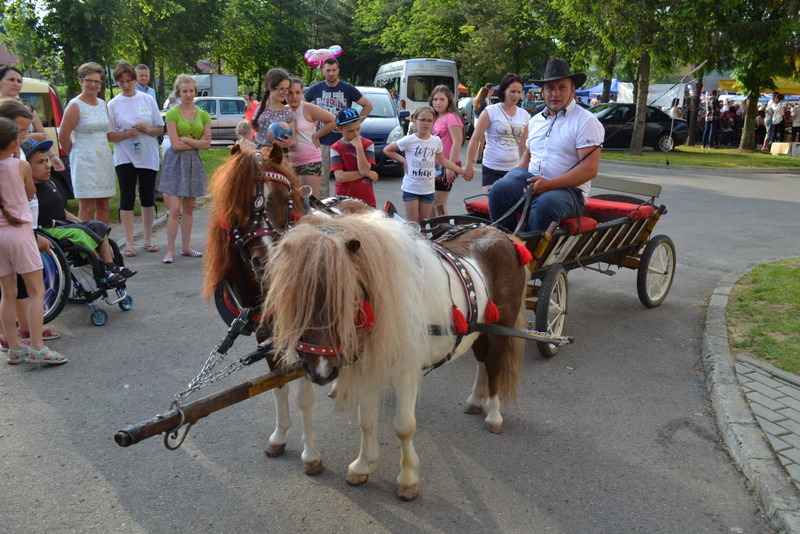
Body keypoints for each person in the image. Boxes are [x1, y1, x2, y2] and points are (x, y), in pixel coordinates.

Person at [488, 59, 604, 233]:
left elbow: (589, 169)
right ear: (542, 92)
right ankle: (509, 243)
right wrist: (511, 179)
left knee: (545, 203)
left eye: (562, 87)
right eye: (550, 88)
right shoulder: (535, 121)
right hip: (532, 181)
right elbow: (527, 155)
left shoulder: (586, 121)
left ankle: (533, 256)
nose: (555, 93)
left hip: (569, 192)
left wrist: (549, 184)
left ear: (573, 89)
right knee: (498, 189)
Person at [23, 138, 134, 285]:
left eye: (46, 161)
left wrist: (82, 222)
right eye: (40, 162)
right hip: (47, 230)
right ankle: (101, 273)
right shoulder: (28, 190)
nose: (47, 166)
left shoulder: (49, 184)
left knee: (97, 226)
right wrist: (81, 227)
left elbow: (61, 210)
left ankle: (111, 266)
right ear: (25, 167)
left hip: (62, 225)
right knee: (80, 232)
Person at [0, 117, 66, 365]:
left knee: (7, 293)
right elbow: (29, 193)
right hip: (19, 231)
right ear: (15, 142)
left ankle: (13, 346)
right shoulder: (20, 166)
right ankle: (37, 346)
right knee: (37, 290)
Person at [107, 62, 164, 256]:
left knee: (147, 196)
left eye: (129, 80)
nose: (125, 85)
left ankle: (148, 239)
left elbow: (159, 127)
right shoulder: (113, 104)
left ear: (134, 79)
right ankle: (129, 242)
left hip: (147, 153)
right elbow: (109, 135)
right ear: (117, 83)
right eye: (121, 82)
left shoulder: (147, 99)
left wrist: (146, 130)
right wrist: (125, 134)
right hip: (125, 155)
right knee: (127, 196)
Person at [158, 74, 211, 264]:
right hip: (175, 162)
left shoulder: (203, 114)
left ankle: (186, 247)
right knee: (175, 209)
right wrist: (195, 142)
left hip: (193, 163)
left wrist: (187, 139)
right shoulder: (172, 113)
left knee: (189, 207)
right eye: (185, 91)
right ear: (178, 92)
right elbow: (175, 145)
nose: (189, 94)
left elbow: (206, 145)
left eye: (191, 91)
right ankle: (169, 251)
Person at [304, 58, 373, 198]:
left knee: (345, 175)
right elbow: (301, 106)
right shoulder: (316, 89)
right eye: (328, 70)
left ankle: (345, 203)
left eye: (334, 70)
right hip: (322, 140)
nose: (331, 73)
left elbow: (368, 105)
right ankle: (323, 209)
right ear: (323, 71)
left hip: (344, 141)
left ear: (338, 71)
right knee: (322, 179)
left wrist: (357, 124)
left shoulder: (347, 88)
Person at [384, 106, 465, 223]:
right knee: (413, 225)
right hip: (411, 188)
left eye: (429, 120)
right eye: (422, 120)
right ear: (414, 120)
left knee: (423, 225)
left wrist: (462, 171)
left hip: (427, 190)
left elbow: (443, 161)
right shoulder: (409, 140)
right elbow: (388, 150)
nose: (426, 123)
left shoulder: (436, 141)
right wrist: (404, 161)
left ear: (433, 122)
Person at [58, 62, 116, 224]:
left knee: (104, 205)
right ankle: (84, 246)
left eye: (97, 81)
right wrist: (76, 155)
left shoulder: (103, 104)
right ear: (81, 81)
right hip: (84, 161)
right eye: (88, 80)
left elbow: (107, 132)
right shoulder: (75, 105)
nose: (92, 84)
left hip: (103, 158)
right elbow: (63, 136)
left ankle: (103, 244)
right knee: (87, 207)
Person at [465, 73, 529, 194]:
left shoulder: (524, 115)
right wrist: (469, 165)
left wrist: (529, 169)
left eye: (519, 92)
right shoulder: (491, 111)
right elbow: (475, 139)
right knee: (492, 207)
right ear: (504, 90)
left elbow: (523, 146)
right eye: (513, 91)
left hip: (514, 170)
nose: (516, 96)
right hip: (492, 168)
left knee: (510, 208)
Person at [0, 65, 65, 171]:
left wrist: (53, 156)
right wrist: (30, 137)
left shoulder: (27, 106)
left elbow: (43, 134)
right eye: (11, 80)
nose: (16, 84)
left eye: (19, 81)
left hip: (29, 160)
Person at [286, 76, 335, 197]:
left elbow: (333, 120)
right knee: (289, 205)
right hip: (288, 163)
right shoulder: (283, 111)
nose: (294, 96)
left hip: (310, 161)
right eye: (290, 92)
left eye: (298, 92)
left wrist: (317, 136)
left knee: (307, 204)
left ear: (302, 93)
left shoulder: (307, 108)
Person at [329, 108, 378, 206]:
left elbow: (364, 170)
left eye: (358, 129)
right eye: (350, 131)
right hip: (343, 199)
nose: (356, 134)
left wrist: (359, 147)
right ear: (339, 130)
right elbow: (340, 177)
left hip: (366, 198)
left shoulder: (368, 144)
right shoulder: (335, 148)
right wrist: (368, 174)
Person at [429, 85, 464, 214]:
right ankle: (435, 231)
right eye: (435, 99)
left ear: (449, 100)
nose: (438, 102)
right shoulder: (435, 117)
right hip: (434, 165)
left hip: (447, 164)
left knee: (439, 204)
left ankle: (445, 232)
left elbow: (457, 141)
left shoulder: (451, 117)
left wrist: (450, 166)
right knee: (431, 204)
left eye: (442, 99)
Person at [251, 68, 296, 150]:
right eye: (281, 89)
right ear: (271, 88)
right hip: (259, 154)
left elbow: (294, 141)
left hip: (278, 156)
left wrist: (290, 143)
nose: (285, 93)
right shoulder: (261, 109)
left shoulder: (288, 112)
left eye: (287, 89)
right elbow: (255, 134)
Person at [471, 83, 494, 163]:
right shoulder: (484, 102)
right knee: (482, 141)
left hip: (476, 120)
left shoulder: (475, 101)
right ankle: (479, 158)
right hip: (481, 121)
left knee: (476, 140)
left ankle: (472, 157)